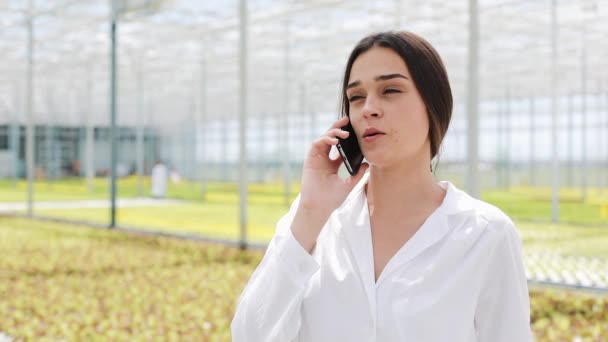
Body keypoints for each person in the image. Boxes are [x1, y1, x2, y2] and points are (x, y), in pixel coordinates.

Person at [231, 31, 532, 342]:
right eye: (356, 97)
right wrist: (311, 211)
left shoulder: (485, 234)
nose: (368, 108)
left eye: (390, 90)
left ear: (433, 104)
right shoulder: (315, 222)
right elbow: (249, 335)